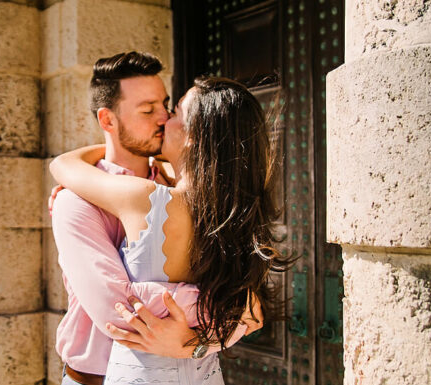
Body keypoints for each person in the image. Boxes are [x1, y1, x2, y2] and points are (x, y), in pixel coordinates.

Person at [50, 76, 290, 384]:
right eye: (150, 110)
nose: (164, 119)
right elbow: (251, 313)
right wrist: (217, 315)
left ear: (193, 136)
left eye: (173, 111)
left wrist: (196, 334)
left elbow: (62, 165)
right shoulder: (232, 213)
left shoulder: (144, 198)